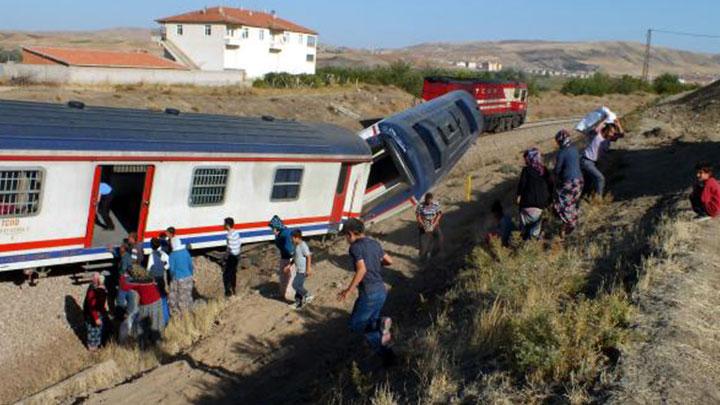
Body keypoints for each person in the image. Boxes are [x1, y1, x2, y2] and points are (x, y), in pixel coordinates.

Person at [337, 218, 395, 366]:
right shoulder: (374, 243)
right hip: (381, 290)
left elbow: (362, 269)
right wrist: (375, 261)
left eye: (345, 236)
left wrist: (348, 290)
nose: (346, 239)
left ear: (350, 234)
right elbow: (390, 261)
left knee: (356, 324)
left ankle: (381, 323)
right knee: (370, 328)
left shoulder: (355, 248)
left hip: (369, 292)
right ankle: (389, 358)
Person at [553, 130, 584, 237]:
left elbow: (557, 170)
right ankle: (572, 223)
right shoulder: (574, 149)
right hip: (579, 181)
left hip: (569, 182)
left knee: (562, 204)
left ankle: (571, 225)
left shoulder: (562, 153)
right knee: (573, 203)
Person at [516, 148, 552, 240]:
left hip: (527, 205)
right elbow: (551, 185)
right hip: (542, 205)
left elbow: (522, 185)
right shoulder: (544, 170)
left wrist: (518, 196)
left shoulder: (526, 170)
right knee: (536, 231)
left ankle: (525, 242)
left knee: (525, 231)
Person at [123, 266, 164, 346]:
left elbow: (124, 286)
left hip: (146, 304)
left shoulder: (137, 283)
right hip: (157, 301)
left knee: (141, 326)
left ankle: (143, 346)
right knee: (156, 324)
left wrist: (124, 276)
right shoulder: (148, 277)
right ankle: (157, 344)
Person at [580, 122, 622, 196]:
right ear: (606, 130)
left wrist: (619, 126)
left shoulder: (607, 139)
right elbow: (596, 130)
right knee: (600, 178)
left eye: (614, 132)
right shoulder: (596, 136)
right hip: (586, 161)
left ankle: (584, 195)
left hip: (594, 163)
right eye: (611, 132)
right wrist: (604, 121)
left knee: (589, 181)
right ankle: (598, 199)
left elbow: (621, 135)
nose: (613, 134)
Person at [269, 215, 296, 301]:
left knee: (290, 277)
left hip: (290, 258)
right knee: (283, 276)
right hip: (284, 257)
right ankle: (283, 293)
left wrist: (291, 263)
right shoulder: (279, 234)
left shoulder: (286, 234)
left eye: (273, 228)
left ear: (277, 227)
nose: (272, 230)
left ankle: (290, 297)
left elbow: (292, 250)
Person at [288, 229, 314, 310]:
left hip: (303, 271)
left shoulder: (303, 245)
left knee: (295, 285)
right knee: (299, 286)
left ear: (296, 237)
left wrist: (308, 269)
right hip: (299, 270)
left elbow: (309, 256)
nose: (291, 240)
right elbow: (295, 257)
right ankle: (298, 304)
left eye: (292, 238)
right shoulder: (297, 246)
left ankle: (308, 295)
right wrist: (289, 265)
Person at [168, 237, 194, 315]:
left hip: (178, 278)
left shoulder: (172, 255)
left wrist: (172, 279)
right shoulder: (186, 252)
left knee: (176, 298)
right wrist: (191, 274)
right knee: (187, 297)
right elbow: (190, 265)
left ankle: (179, 316)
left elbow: (172, 270)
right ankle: (189, 314)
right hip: (188, 277)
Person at [147, 238, 170, 324]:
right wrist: (163, 268)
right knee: (163, 298)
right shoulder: (163, 254)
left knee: (155, 299)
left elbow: (148, 269)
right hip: (161, 278)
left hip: (154, 280)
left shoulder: (151, 256)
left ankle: (157, 319)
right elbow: (168, 265)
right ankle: (166, 318)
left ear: (151, 246)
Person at [83, 272, 108, 351]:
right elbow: (92, 307)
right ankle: (92, 347)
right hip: (91, 314)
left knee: (98, 329)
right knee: (92, 330)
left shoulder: (99, 288)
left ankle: (97, 344)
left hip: (97, 312)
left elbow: (101, 301)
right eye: (98, 278)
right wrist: (96, 318)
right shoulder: (92, 290)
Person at [415, 192, 444, 261]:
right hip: (424, 225)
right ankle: (422, 258)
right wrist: (423, 224)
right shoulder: (420, 206)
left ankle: (434, 255)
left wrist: (435, 223)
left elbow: (439, 214)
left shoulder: (435, 205)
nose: (429, 202)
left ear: (432, 199)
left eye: (430, 200)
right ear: (425, 199)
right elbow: (418, 216)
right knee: (423, 244)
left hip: (434, 224)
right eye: (427, 200)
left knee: (439, 239)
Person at [223, 217, 241, 297]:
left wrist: (225, 257)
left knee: (226, 274)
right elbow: (239, 243)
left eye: (224, 224)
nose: (223, 225)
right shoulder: (236, 233)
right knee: (233, 273)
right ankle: (234, 290)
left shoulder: (229, 235)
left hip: (231, 256)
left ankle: (228, 292)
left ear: (227, 225)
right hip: (237, 256)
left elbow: (229, 248)